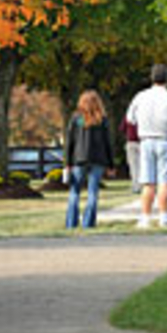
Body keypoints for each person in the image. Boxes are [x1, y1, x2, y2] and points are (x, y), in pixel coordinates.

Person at [125, 64, 167, 229]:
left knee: (148, 183)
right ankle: (164, 216)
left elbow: (130, 119)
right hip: (166, 141)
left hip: (146, 141)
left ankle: (145, 218)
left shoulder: (140, 97)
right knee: (164, 182)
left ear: (151, 78)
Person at [64, 90, 115, 229]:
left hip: (78, 159)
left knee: (75, 192)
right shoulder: (102, 120)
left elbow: (70, 141)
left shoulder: (76, 119)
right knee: (93, 192)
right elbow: (107, 143)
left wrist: (67, 163)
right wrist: (111, 164)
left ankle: (71, 223)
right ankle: (88, 223)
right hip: (98, 160)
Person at [119, 115, 142, 194]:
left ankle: (136, 185)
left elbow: (122, 129)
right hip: (142, 142)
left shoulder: (128, 117)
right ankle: (140, 185)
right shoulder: (144, 115)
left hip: (131, 142)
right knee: (141, 165)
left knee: (133, 166)